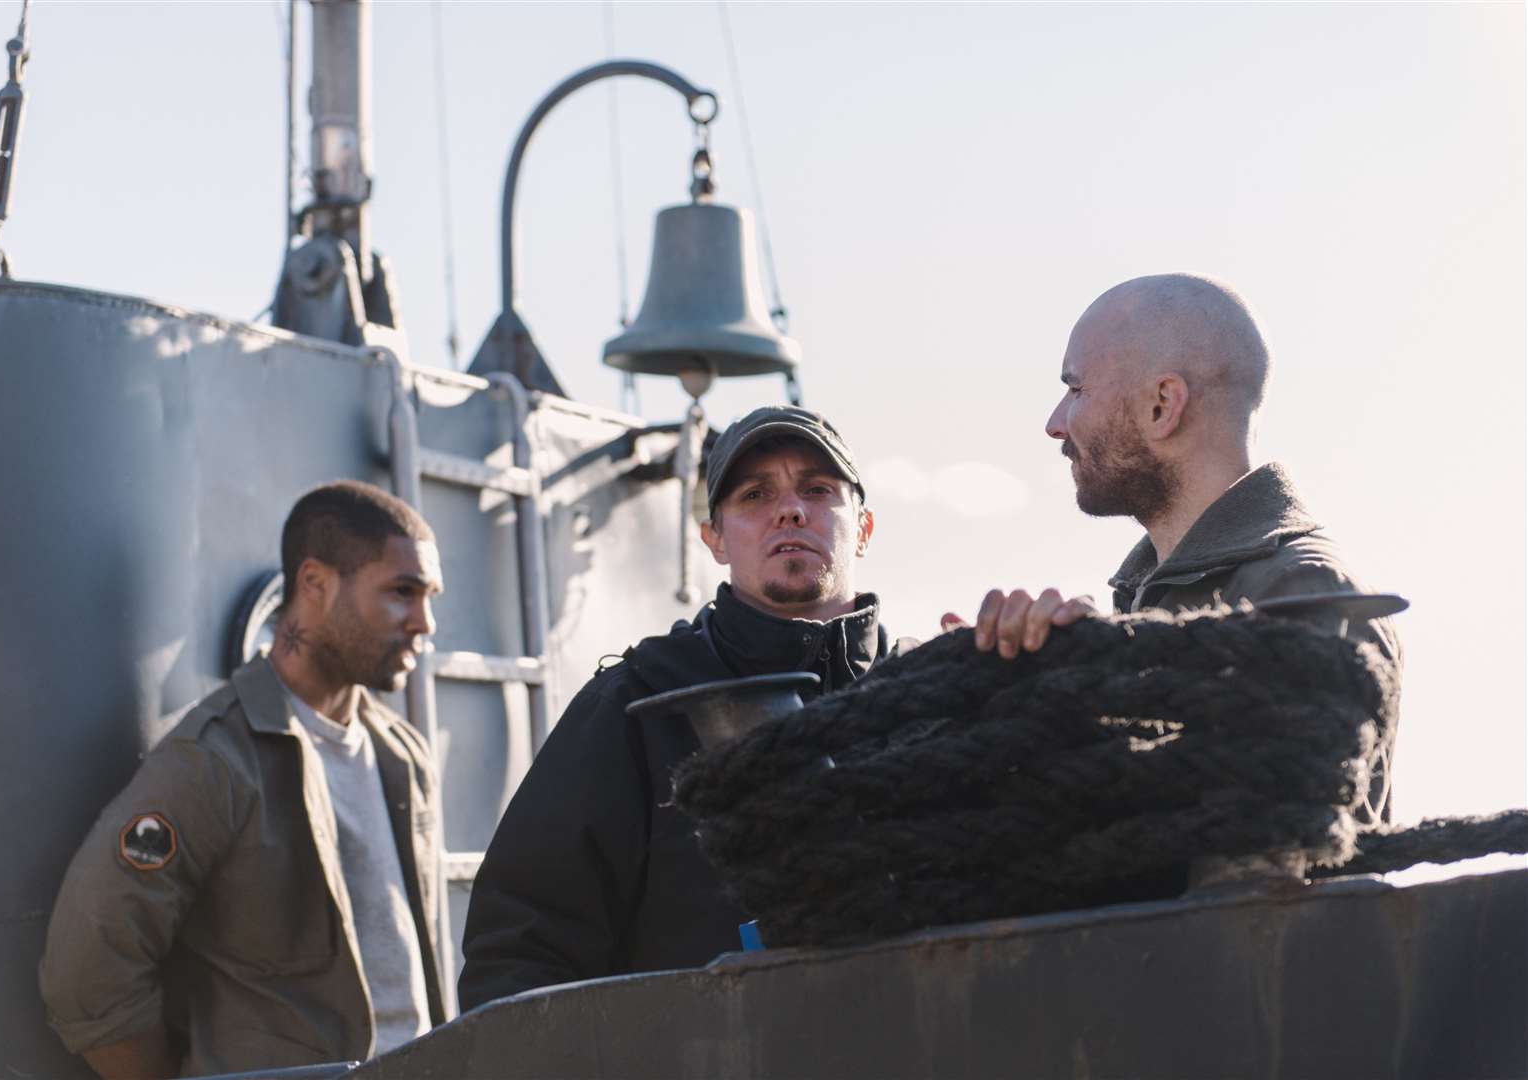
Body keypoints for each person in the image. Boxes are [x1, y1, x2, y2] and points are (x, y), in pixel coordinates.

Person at [458, 406, 901, 1011]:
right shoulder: (637, 706)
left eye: (818, 490)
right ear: (713, 539)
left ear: (867, 528)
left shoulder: (928, 696)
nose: (790, 510)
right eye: (754, 494)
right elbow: (523, 951)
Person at [952, 273, 1402, 821]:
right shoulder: (1152, 597)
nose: (1054, 423)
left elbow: (1281, 866)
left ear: (1162, 405)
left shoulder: (1304, 593)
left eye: (1075, 390)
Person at [40, 481, 448, 1078]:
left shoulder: (403, 756)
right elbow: (88, 972)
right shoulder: (215, 760)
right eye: (402, 592)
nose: (424, 622)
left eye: (429, 596)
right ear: (315, 584)